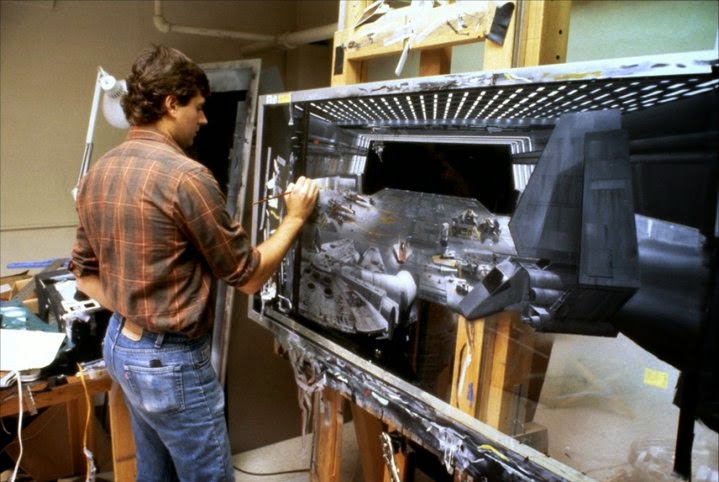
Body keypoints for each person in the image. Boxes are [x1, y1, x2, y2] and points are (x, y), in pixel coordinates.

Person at [69, 45, 318, 481]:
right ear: (171, 104)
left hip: (120, 346)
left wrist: (133, 305)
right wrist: (294, 218)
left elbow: (84, 275)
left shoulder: (97, 174)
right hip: (170, 364)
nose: (203, 119)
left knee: (155, 472)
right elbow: (249, 278)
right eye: (198, 108)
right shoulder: (188, 177)